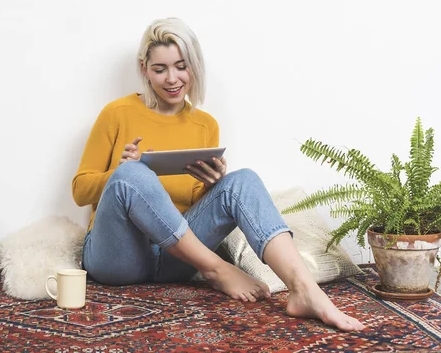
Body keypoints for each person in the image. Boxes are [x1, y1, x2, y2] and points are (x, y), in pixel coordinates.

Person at [72, 17, 365, 332]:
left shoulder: (204, 125)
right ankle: (217, 270)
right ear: (145, 69)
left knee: (243, 181)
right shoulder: (117, 113)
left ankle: (304, 289)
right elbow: (80, 191)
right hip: (119, 258)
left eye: (181, 66)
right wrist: (121, 171)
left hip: (176, 258)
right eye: (160, 69)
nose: (172, 78)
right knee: (132, 173)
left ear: (194, 67)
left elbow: (189, 209)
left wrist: (212, 185)